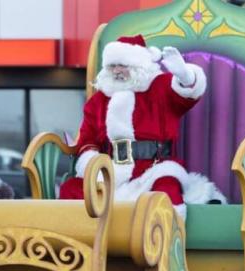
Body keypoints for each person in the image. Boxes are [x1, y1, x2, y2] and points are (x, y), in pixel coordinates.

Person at [58, 35, 224, 216]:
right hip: (111, 171)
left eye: (123, 65)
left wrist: (185, 76)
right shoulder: (99, 100)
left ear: (138, 65)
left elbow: (187, 95)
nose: (117, 71)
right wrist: (94, 166)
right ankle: (81, 241)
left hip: (155, 168)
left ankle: (165, 241)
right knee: (71, 189)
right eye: (112, 66)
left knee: (166, 191)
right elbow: (86, 140)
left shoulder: (160, 87)